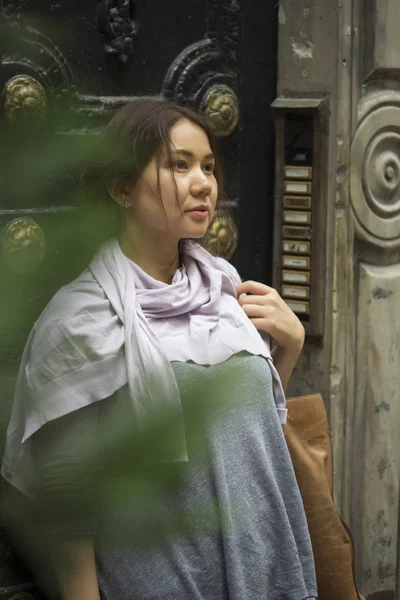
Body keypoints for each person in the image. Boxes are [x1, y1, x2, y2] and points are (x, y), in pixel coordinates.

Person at [2, 98, 317, 600]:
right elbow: (67, 498)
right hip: (166, 578)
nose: (203, 184)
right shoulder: (80, 322)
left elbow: (250, 439)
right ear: (123, 188)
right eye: (179, 164)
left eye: (209, 167)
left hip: (261, 562)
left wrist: (289, 350)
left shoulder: (224, 289)